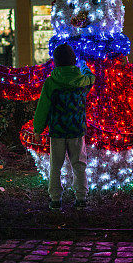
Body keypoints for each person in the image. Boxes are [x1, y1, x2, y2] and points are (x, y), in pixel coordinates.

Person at [33, 43, 95, 210]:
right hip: (76, 130)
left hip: (57, 131)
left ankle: (55, 200)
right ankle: (81, 198)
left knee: (55, 166)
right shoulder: (82, 81)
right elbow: (92, 77)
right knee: (79, 164)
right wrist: (84, 67)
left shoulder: (51, 82)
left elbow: (43, 108)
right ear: (73, 60)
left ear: (56, 62)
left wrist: (38, 130)